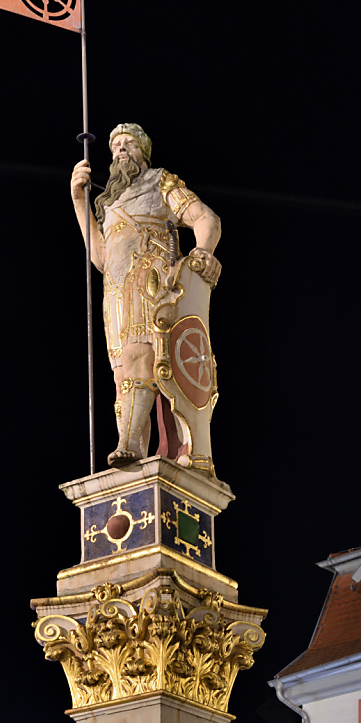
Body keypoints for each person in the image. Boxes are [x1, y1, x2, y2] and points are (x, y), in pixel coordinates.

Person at [71, 123, 221, 468]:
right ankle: (133, 452)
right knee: (122, 376)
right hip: (116, 292)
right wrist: (79, 201)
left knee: (141, 356)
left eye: (129, 143)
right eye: (116, 146)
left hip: (149, 280)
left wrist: (203, 251)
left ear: (144, 152)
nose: (121, 149)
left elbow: (205, 217)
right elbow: (101, 257)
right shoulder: (108, 202)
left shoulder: (159, 181)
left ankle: (129, 446)